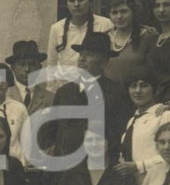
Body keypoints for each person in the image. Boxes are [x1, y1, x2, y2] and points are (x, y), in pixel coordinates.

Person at [42, 31, 133, 159]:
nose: (82, 59)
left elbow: (120, 133)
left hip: (98, 164)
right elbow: (51, 130)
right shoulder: (64, 92)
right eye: (81, 54)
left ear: (104, 62)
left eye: (89, 55)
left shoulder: (116, 93)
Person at [114, 70, 170, 185]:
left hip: (158, 184)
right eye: (133, 86)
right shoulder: (132, 121)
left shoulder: (163, 116)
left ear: (154, 89)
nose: (137, 91)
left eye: (144, 86)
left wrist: (139, 166)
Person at [46, 0, 113, 82]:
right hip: (66, 86)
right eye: (72, 0)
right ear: (67, 4)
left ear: (90, 2)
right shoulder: (57, 28)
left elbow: (109, 61)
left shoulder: (105, 24)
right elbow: (52, 64)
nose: (76, 4)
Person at [104, 0, 158, 86]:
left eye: (124, 11)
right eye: (114, 12)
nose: (119, 16)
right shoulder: (105, 37)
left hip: (136, 93)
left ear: (134, 12)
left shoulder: (147, 36)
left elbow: (154, 72)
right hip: (110, 95)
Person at [5, 40, 54, 116]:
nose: (27, 69)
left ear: (39, 68)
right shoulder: (3, 96)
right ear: (13, 68)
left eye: (32, 64)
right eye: (22, 64)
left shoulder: (50, 99)